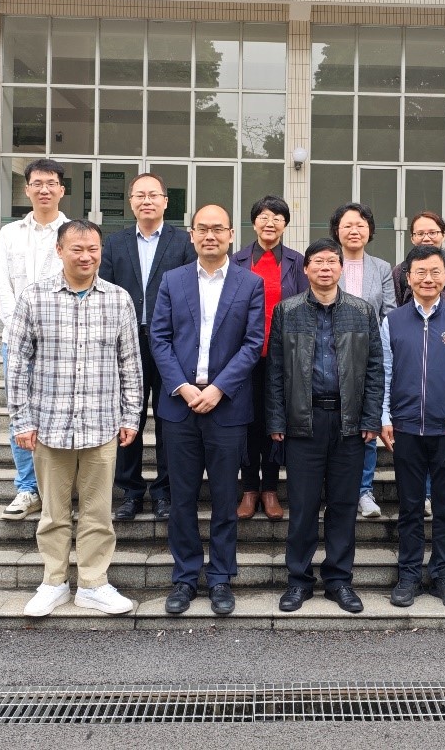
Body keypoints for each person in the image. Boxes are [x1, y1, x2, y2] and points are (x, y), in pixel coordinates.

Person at [7, 220, 142, 618]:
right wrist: (21, 420)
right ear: (60, 251)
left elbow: (130, 363)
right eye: (77, 249)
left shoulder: (118, 299)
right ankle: (53, 582)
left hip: (101, 424)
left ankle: (93, 584)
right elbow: (18, 364)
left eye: (93, 249)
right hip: (49, 424)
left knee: (98, 514)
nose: (86, 257)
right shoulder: (34, 297)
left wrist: (131, 414)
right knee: (53, 514)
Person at [150, 205, 265, 617]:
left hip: (226, 407)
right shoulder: (173, 280)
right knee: (181, 498)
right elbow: (159, 338)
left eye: (218, 229)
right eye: (203, 229)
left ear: (231, 234)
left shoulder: (250, 283)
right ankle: (184, 577)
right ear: (192, 234)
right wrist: (182, 387)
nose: (210, 235)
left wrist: (218, 388)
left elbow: (253, 343)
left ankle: (219, 578)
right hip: (178, 406)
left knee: (224, 497)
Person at [267, 239, 384, 615]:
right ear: (305, 269)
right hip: (303, 421)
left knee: (344, 505)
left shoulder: (362, 311)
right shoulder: (287, 311)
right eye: (317, 262)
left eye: (332, 261)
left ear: (340, 268)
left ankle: (339, 580)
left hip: (349, 422)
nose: (325, 268)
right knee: (302, 506)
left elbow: (375, 368)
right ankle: (298, 581)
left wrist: (370, 418)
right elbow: (275, 371)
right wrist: (276, 420)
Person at [378, 245, 445, 610]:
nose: (428, 278)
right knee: (410, 507)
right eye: (420, 272)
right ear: (407, 278)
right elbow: (385, 373)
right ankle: (408, 574)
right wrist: (384, 416)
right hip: (406, 428)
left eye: (435, 271)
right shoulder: (392, 321)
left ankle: (444, 574)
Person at [99, 172, 196, 522]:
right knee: (129, 417)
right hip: (127, 342)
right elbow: (106, 292)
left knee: (170, 419)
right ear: (131, 202)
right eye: (140, 195)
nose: (147, 201)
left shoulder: (183, 242)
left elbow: (192, 292)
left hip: (170, 343)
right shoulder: (115, 243)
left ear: (166, 202)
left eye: (153, 195)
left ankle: (165, 491)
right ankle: (131, 491)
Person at [0, 157, 69, 521]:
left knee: (61, 413)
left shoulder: (73, 233)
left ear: (62, 190)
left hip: (61, 343)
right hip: (16, 342)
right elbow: (2, 287)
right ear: (26, 189)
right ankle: (27, 488)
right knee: (20, 414)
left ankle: (57, 489)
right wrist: (20, 330)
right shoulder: (9, 233)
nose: (44, 189)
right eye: (37, 183)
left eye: (51, 183)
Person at [230, 195, 308, 521]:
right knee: (248, 420)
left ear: (285, 224)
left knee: (274, 421)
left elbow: (304, 307)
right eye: (263, 216)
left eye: (277, 217)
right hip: (243, 356)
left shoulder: (297, 262)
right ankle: (249, 488)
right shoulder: (236, 261)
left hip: (282, 356)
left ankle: (271, 489)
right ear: (253, 222)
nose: (270, 223)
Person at [329, 202, 396, 519]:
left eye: (360, 225)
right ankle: (336, 490)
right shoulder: (328, 263)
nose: (354, 230)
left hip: (369, 358)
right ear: (337, 231)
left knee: (368, 425)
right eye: (347, 225)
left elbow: (389, 313)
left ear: (370, 231)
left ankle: (364, 491)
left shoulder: (382, 268)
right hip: (330, 357)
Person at [392, 211, 445, 317]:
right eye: (420, 234)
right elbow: (394, 314)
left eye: (432, 233)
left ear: (443, 235)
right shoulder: (400, 271)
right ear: (412, 238)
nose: (426, 238)